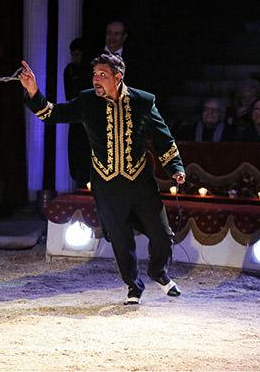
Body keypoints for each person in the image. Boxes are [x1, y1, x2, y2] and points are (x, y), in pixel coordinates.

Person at [19, 53, 185, 305]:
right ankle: (133, 286)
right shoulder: (88, 101)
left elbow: (164, 138)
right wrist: (33, 91)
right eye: (94, 74)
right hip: (107, 184)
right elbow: (51, 114)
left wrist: (175, 167)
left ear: (118, 77)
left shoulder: (143, 101)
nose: (96, 79)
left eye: (103, 75)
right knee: (120, 238)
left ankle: (158, 273)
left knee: (162, 235)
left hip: (140, 182)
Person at [63, 38, 92, 187]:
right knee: (76, 153)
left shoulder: (92, 71)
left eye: (78, 55)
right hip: (76, 118)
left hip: (90, 119)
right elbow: (69, 95)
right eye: (73, 55)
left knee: (87, 152)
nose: (75, 58)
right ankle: (79, 183)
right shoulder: (69, 70)